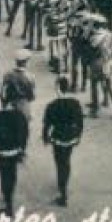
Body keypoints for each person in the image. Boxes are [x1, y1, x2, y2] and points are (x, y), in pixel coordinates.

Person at [41, 77, 85, 207]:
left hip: (58, 137)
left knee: (59, 161)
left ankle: (63, 192)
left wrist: (45, 137)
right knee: (66, 161)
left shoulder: (52, 105)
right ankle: (63, 184)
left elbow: (47, 124)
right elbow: (80, 123)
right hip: (70, 136)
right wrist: (78, 136)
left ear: (58, 88)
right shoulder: (75, 103)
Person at [0, 99, 30, 217]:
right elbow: (25, 133)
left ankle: (8, 202)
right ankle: (9, 199)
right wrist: (21, 148)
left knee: (4, 176)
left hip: (1, 152)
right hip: (14, 152)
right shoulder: (19, 116)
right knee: (12, 174)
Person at [0, 50, 37, 118]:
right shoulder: (30, 77)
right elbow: (33, 96)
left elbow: (2, 93)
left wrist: (4, 105)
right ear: (26, 62)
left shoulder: (8, 75)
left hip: (10, 104)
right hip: (24, 105)